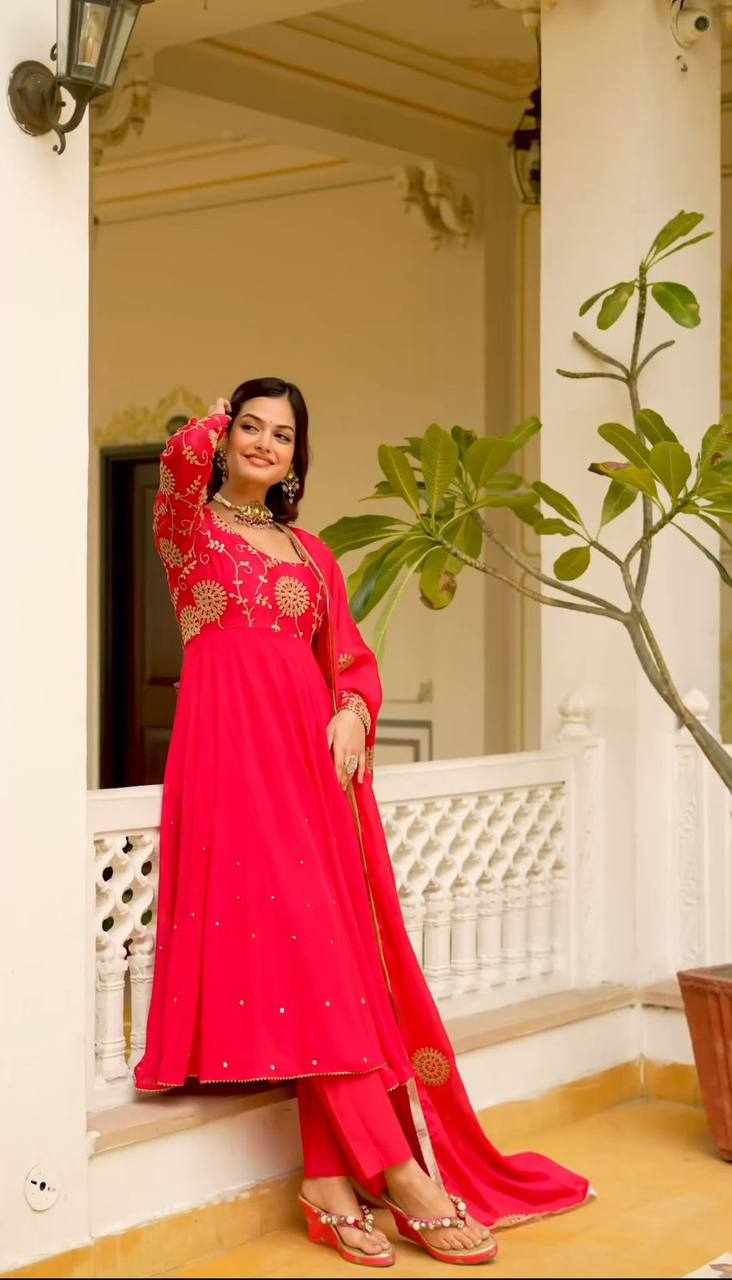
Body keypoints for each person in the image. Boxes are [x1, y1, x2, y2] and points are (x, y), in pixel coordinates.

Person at [133, 376, 592, 1267]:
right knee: (311, 955)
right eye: (250, 428)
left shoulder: (311, 555)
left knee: (326, 962)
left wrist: (351, 706)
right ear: (226, 440)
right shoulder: (189, 532)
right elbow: (180, 459)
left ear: (298, 456)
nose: (265, 444)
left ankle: (328, 1184)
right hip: (229, 768)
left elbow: (348, 654)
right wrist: (212, 421)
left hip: (310, 775)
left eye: (283, 435)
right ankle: (401, 1174)